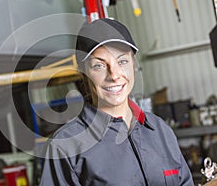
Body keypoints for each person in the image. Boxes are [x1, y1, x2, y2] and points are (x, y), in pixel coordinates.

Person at [39, 18, 194, 185]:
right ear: (83, 73)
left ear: (133, 64)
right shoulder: (65, 147)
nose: (114, 75)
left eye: (122, 61)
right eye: (99, 66)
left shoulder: (160, 130)